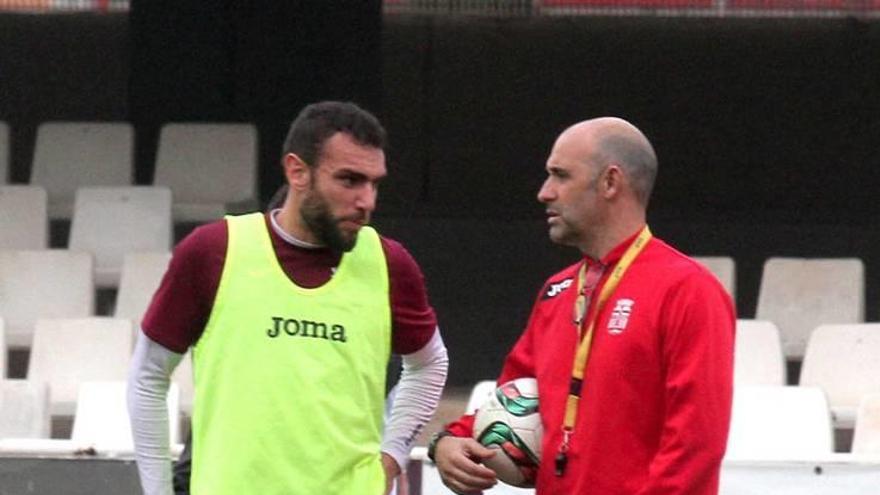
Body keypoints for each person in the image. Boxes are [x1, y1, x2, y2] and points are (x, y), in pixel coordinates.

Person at [128, 101, 449, 495]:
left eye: (374, 182)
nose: (367, 200)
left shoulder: (389, 263)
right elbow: (147, 377)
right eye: (350, 180)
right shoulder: (213, 250)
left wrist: (393, 452)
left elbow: (430, 365)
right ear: (297, 171)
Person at [430, 117, 735, 495]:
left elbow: (695, 448)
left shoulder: (688, 290)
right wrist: (449, 442)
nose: (544, 192)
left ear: (610, 182)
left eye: (560, 175)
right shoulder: (558, 290)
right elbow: (516, 393)